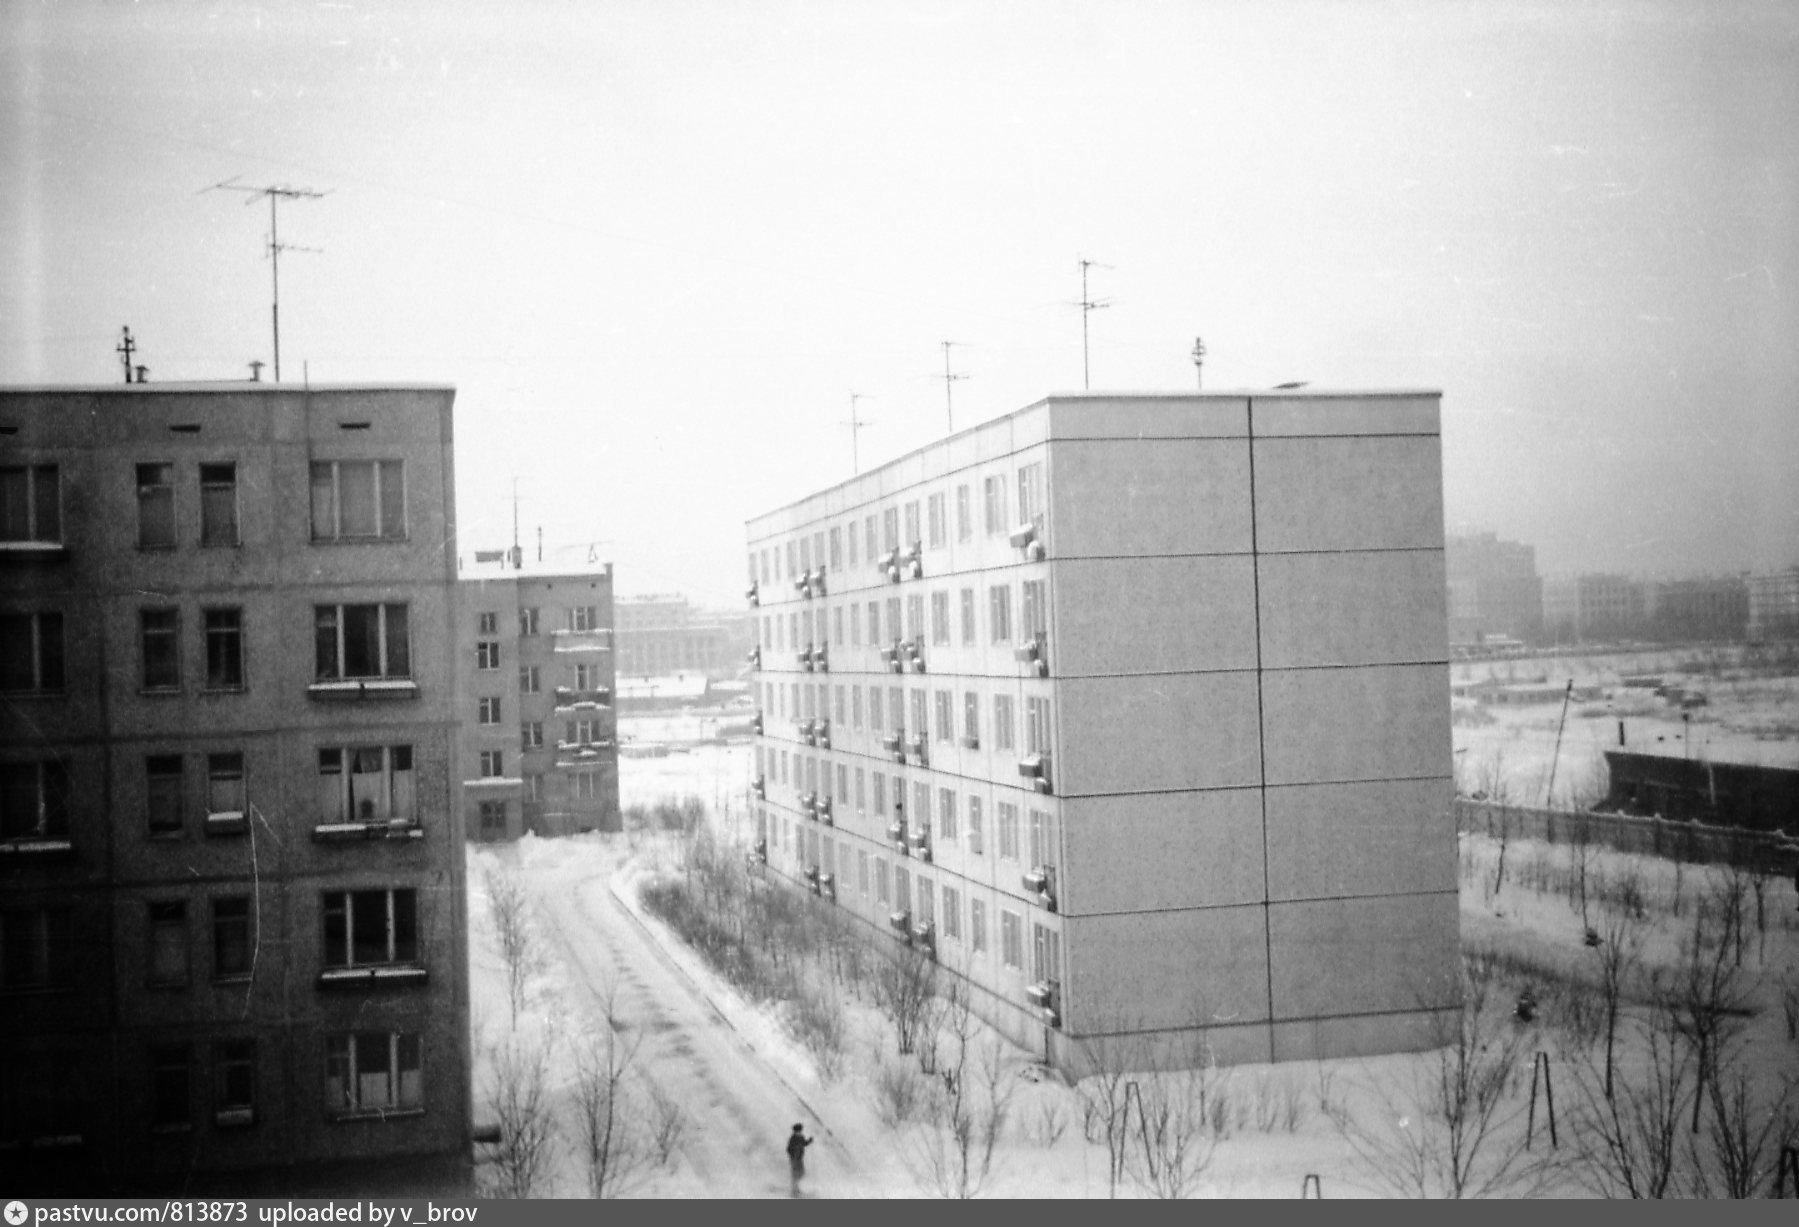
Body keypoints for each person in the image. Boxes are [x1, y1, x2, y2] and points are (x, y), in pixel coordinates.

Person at [786, 1122, 812, 1196]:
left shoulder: (801, 1137)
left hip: (799, 1158)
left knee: (801, 1173)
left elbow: (804, 1143)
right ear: (795, 1131)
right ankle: (793, 1191)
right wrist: (793, 1156)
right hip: (794, 1159)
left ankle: (796, 1188)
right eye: (798, 1131)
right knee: (795, 1174)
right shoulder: (793, 1138)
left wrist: (809, 1141)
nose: (799, 1132)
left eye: (800, 1130)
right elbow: (788, 1149)